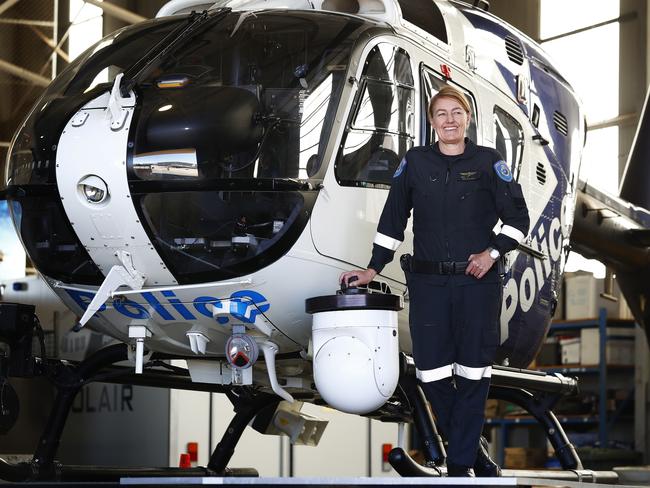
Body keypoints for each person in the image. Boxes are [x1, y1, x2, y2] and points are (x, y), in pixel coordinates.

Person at [340, 85, 530, 477]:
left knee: (474, 373)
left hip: (477, 285)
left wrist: (491, 253)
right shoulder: (415, 162)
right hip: (427, 285)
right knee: (430, 372)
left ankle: (460, 468)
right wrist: (373, 268)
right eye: (441, 114)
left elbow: (518, 222)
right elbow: (392, 221)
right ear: (431, 122)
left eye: (456, 112)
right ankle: (474, 456)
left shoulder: (489, 162)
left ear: (468, 118)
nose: (450, 120)